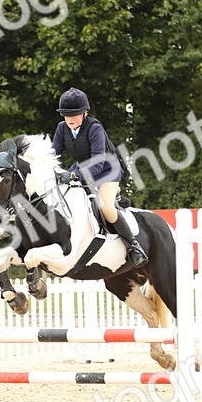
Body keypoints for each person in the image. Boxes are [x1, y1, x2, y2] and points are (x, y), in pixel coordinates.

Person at [50, 87, 148, 267]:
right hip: (82, 168)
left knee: (106, 208)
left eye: (74, 114)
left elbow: (98, 163)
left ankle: (134, 246)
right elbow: (53, 154)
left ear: (84, 113)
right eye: (66, 114)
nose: (69, 119)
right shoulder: (62, 128)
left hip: (106, 170)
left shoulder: (95, 128)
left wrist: (74, 174)